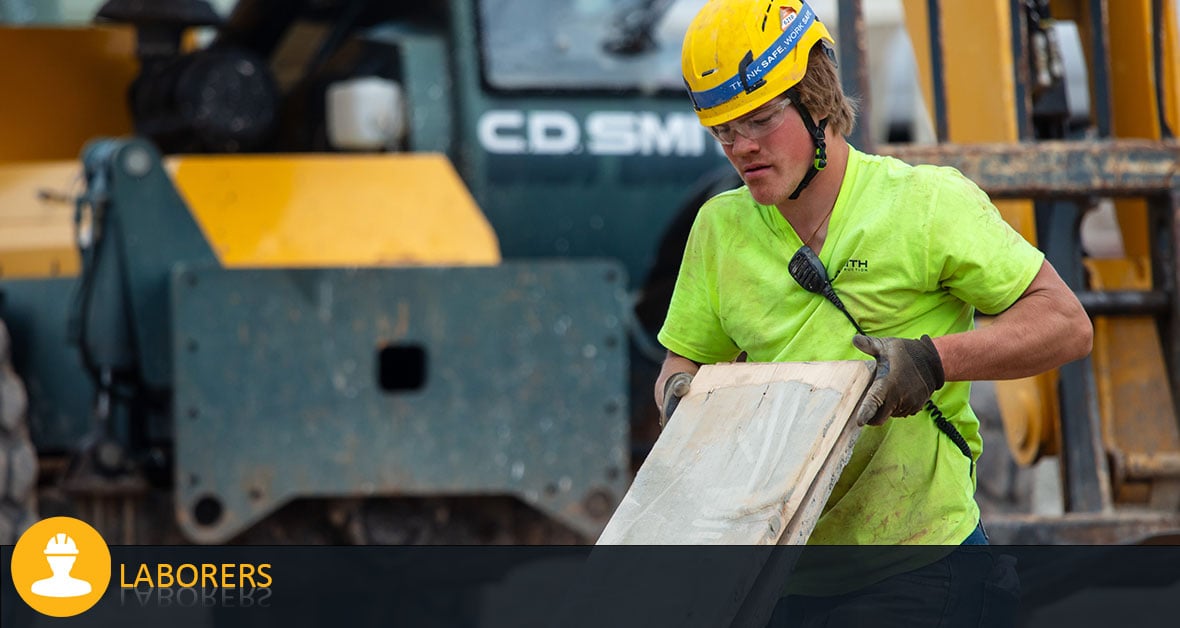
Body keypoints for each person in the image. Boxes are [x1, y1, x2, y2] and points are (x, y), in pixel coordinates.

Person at [654, 0, 1093, 624]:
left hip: (921, 567)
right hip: (776, 575)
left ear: (817, 98)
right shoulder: (719, 229)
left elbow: (1066, 324)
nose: (741, 148)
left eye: (759, 120)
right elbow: (686, 359)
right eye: (723, 131)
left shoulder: (926, 205)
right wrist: (681, 399)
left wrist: (931, 360)